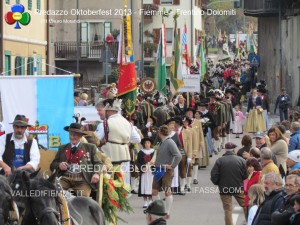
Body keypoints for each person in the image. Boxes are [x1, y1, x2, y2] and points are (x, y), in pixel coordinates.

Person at [50, 123, 102, 197]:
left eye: (75, 135)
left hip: (82, 180)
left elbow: (98, 163)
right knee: (55, 194)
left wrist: (96, 173)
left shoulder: (90, 148)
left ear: (80, 136)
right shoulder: (62, 148)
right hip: (65, 178)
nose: (72, 137)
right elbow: (52, 165)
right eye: (70, 134)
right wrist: (59, 165)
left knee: (83, 199)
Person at [211, 142, 248, 225]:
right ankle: (249, 221)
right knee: (245, 205)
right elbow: (246, 175)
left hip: (224, 188)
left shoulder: (219, 160)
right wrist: (243, 186)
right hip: (238, 187)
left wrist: (218, 183)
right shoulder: (241, 160)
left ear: (225, 150)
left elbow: (214, 175)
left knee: (227, 209)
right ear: (234, 150)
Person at [96, 98, 141, 164]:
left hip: (110, 159)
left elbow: (96, 139)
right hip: (125, 159)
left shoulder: (105, 124)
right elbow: (137, 139)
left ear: (108, 111)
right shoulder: (128, 123)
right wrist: (126, 142)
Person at [152, 125, 182, 219]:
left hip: (166, 171)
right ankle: (160, 210)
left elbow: (178, 155)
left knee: (167, 191)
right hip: (158, 169)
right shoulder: (161, 142)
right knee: (154, 191)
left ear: (159, 133)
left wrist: (172, 166)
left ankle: (167, 212)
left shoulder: (170, 142)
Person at [137, 137, 155, 208]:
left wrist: (154, 163)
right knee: (144, 185)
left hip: (151, 171)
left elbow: (156, 160)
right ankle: (145, 201)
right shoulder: (141, 152)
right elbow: (138, 162)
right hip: (144, 172)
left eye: (148, 143)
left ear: (150, 144)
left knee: (151, 185)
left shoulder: (153, 152)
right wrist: (142, 167)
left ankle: (150, 200)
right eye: (146, 143)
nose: (147, 144)